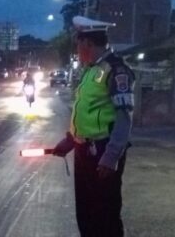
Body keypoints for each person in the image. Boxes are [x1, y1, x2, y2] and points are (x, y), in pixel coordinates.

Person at [52, 16, 135, 237]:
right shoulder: (90, 71)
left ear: (88, 43)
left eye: (78, 44)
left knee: (105, 217)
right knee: (86, 216)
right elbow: (86, 113)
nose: (77, 49)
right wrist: (70, 141)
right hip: (84, 153)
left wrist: (111, 156)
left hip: (102, 153)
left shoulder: (116, 71)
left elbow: (124, 117)